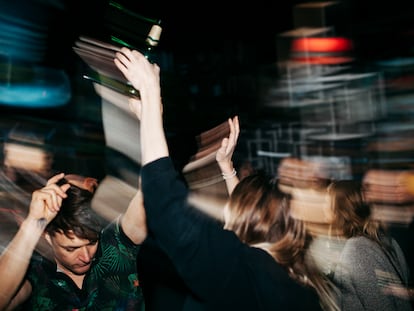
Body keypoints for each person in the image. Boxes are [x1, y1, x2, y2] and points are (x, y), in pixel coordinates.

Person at [114, 47, 337, 310]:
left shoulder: (245, 272)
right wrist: (226, 168)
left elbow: (166, 202)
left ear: (249, 218)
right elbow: (246, 216)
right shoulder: (291, 278)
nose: (226, 212)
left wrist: (151, 96)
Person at [0, 173, 147, 310]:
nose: (86, 257)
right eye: (71, 249)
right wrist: (33, 223)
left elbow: (150, 185)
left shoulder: (116, 243)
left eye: (91, 243)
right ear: (47, 236)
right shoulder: (36, 273)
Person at [315, 179, 413, 310]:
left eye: (326, 200)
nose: (321, 206)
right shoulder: (384, 240)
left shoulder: (358, 250)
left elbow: (381, 305)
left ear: (339, 207)